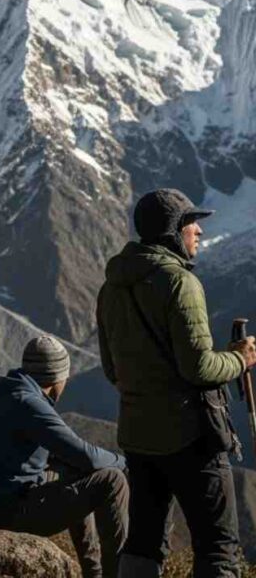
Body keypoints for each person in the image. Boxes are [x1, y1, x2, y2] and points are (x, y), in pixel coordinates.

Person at [97, 188, 256, 577]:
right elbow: (199, 369)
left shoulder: (112, 287)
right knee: (219, 548)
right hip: (191, 436)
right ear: (173, 232)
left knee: (143, 542)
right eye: (190, 223)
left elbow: (111, 369)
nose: (198, 231)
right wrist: (241, 357)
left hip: (138, 437)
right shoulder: (180, 283)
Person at [0, 335, 129, 578]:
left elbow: (72, 458)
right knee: (112, 481)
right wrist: (125, 462)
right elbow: (87, 456)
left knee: (75, 468)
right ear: (56, 377)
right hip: (5, 515)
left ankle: (94, 573)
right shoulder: (28, 404)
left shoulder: (12, 395)